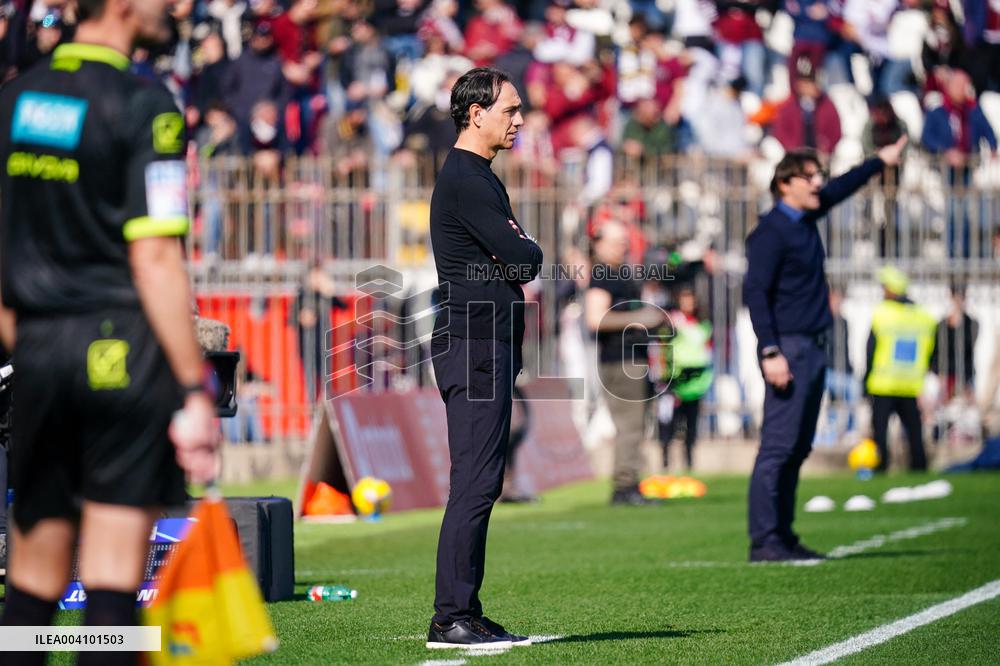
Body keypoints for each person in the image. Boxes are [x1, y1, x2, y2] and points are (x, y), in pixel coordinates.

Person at [0, 0, 220, 661]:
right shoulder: (146, 105)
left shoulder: (14, 100)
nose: (175, 7)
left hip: (38, 349)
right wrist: (194, 388)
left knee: (32, 585)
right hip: (121, 354)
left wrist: (22, 340)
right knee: (112, 582)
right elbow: (154, 258)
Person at [743, 134, 907, 563]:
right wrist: (770, 351)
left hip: (813, 348)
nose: (819, 183)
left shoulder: (804, 218)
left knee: (799, 447)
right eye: (810, 177)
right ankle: (765, 541)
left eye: (819, 176)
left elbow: (840, 188)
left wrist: (879, 161)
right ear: (785, 184)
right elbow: (756, 294)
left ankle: (784, 534)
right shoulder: (770, 232)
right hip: (789, 349)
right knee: (778, 447)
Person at [427, 66, 542, 648]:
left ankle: (465, 610)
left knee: (482, 481)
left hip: (483, 344)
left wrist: (517, 251)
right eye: (510, 110)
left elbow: (516, 256)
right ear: (477, 114)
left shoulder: (478, 176)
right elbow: (525, 259)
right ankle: (450, 615)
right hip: (472, 345)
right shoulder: (468, 180)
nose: (519, 120)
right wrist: (520, 250)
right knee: (474, 482)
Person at [585, 219, 665, 505]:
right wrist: (641, 317)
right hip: (620, 360)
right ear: (599, 244)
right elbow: (595, 319)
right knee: (630, 425)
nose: (623, 247)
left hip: (631, 358)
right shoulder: (602, 274)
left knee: (636, 424)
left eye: (624, 241)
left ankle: (630, 483)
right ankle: (625, 486)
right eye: (617, 242)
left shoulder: (618, 272)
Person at [864, 267, 936, 472]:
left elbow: (870, 350)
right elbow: (931, 350)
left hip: (884, 384)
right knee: (914, 431)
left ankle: (880, 467)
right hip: (910, 384)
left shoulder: (882, 314)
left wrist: (865, 380)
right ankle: (919, 467)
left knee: (880, 431)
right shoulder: (924, 317)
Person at [656, 285, 712, 471]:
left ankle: (689, 460)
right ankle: (665, 461)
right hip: (674, 381)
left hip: (695, 382)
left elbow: (704, 349)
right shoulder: (671, 322)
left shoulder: (702, 325)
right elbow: (662, 346)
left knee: (691, 425)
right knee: (668, 423)